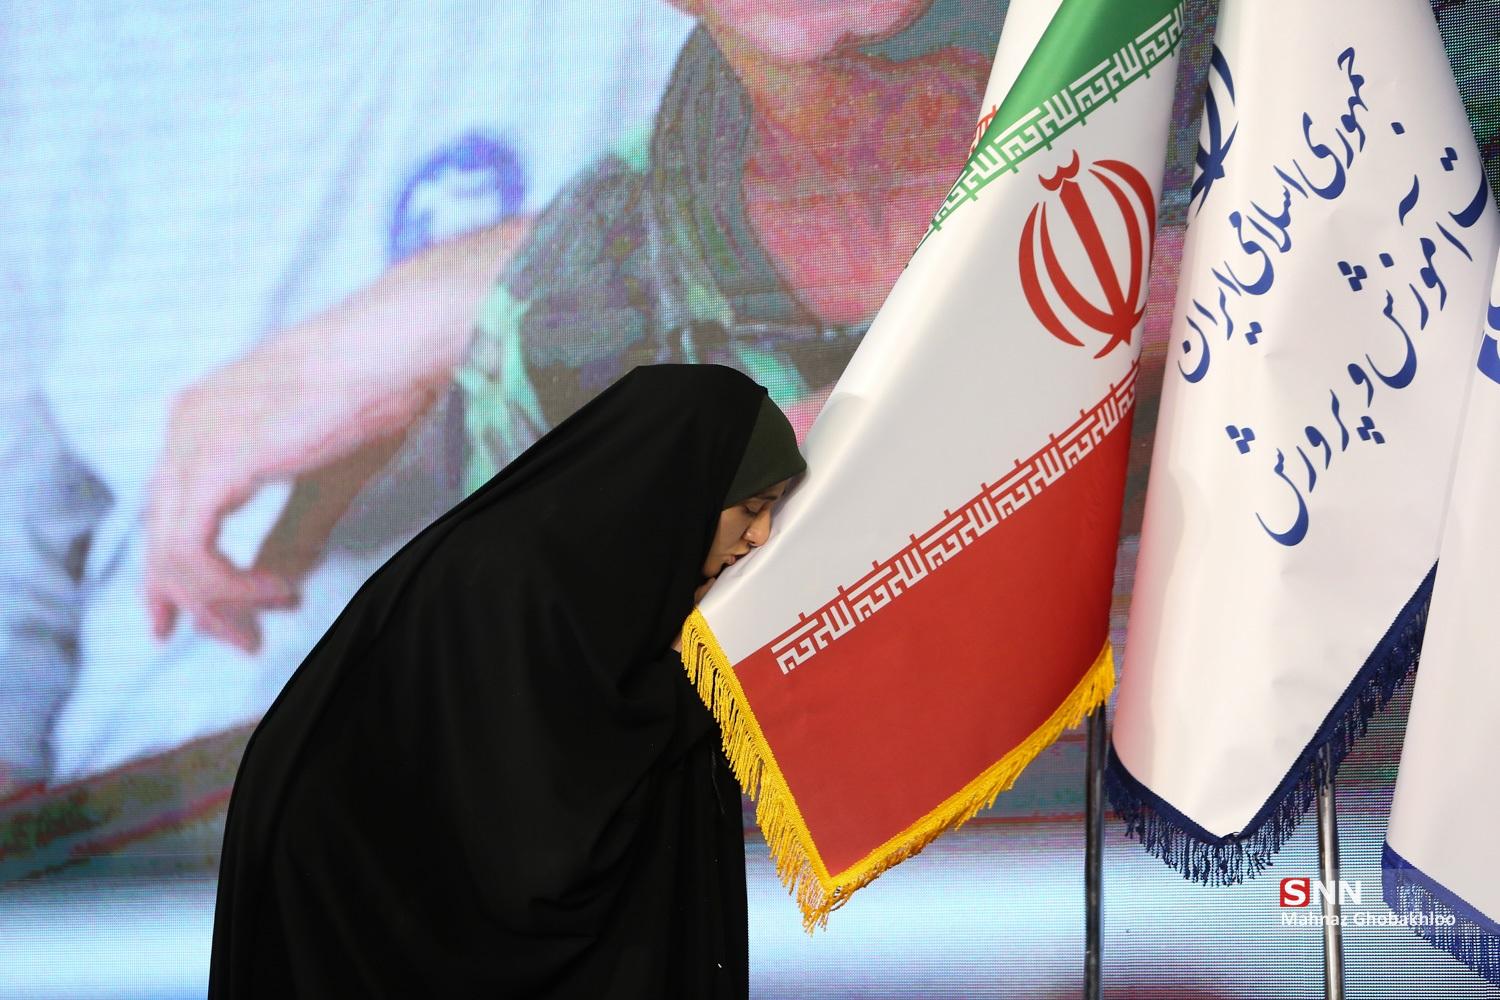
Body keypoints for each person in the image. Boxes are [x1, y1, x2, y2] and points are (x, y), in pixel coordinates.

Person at [208, 364, 805, 998]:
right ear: (681, 484)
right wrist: (693, 690)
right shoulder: (524, 578)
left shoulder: (594, 572)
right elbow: (542, 819)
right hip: (350, 891)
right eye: (750, 507)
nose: (761, 535)